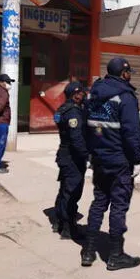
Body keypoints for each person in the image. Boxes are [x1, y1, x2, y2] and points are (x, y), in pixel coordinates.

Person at [81, 58, 140, 271]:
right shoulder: (125, 97)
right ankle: (115, 255)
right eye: (129, 73)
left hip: (99, 158)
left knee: (99, 201)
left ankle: (88, 251)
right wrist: (136, 159)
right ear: (124, 73)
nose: (130, 76)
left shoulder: (93, 93)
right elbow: (132, 133)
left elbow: (86, 127)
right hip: (119, 160)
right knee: (118, 206)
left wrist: (91, 152)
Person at [53, 81, 89, 240]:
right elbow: (77, 139)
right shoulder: (73, 112)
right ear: (76, 94)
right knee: (72, 193)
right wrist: (87, 156)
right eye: (82, 93)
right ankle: (68, 228)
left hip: (65, 155)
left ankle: (59, 222)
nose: (84, 95)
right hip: (72, 157)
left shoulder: (64, 108)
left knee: (64, 191)